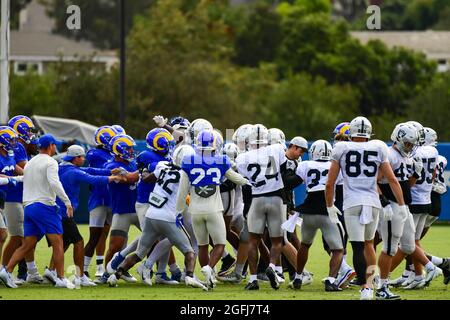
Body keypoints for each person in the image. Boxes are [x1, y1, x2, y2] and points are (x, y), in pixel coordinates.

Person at [325, 116, 407, 300]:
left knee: (357, 247)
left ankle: (365, 289)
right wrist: (401, 205)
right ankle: (371, 284)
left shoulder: (341, 148)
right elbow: (392, 180)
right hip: (372, 202)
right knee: (369, 244)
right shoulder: (378, 147)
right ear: (369, 133)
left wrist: (330, 206)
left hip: (352, 202)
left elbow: (330, 184)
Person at [107, 160, 207, 291]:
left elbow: (147, 178)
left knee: (139, 253)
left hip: (151, 215)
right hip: (168, 217)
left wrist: (144, 172)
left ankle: (116, 275)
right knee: (189, 251)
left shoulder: (162, 166)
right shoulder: (188, 174)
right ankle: (189, 276)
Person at [176, 129, 248, 289]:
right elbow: (234, 177)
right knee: (220, 244)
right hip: (214, 209)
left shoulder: (188, 161)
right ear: (214, 145)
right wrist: (247, 182)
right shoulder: (221, 160)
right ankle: (209, 269)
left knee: (202, 245)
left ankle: (208, 278)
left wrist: (179, 211)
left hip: (195, 211)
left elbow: (182, 192)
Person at [0, 134, 75, 289]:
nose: (56, 148)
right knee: (58, 241)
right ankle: (60, 278)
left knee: (28, 244)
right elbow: (55, 183)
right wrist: (67, 202)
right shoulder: (51, 162)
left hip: (29, 207)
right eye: (55, 145)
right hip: (44, 206)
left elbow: (23, 179)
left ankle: (6, 271)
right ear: (51, 146)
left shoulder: (31, 162)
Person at [43, 145, 123, 287]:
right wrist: (112, 177)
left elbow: (89, 170)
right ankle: (80, 276)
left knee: (65, 242)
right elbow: (93, 179)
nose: (84, 159)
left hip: (56, 211)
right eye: (82, 157)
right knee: (79, 242)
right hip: (63, 212)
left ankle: (51, 270)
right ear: (76, 158)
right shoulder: (73, 172)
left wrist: (109, 170)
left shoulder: (64, 167)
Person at [235, 124, 288, 291]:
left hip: (256, 199)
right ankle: (272, 266)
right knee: (277, 240)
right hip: (276, 198)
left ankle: (252, 279)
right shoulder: (277, 149)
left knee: (253, 241)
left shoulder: (242, 158)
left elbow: (245, 177)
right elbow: (283, 171)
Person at [288, 140, 345, 292]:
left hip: (309, 210)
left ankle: (298, 276)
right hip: (327, 210)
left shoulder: (305, 165)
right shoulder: (335, 166)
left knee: (305, 245)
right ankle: (331, 280)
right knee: (338, 250)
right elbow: (338, 193)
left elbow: (292, 183)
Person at [3, 116, 42, 284]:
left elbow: (19, 168)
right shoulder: (16, 146)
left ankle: (29, 271)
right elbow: (23, 168)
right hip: (12, 196)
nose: (31, 134)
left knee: (25, 235)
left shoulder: (14, 147)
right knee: (17, 236)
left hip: (21, 195)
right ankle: (5, 269)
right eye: (28, 130)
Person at [83, 125, 118, 278]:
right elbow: (104, 168)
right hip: (99, 197)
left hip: (112, 198)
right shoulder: (95, 153)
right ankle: (84, 269)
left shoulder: (111, 153)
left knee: (110, 234)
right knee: (95, 236)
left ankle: (105, 267)